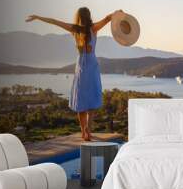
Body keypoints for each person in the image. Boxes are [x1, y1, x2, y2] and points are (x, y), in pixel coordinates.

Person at [26, 7, 121, 141]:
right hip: (92, 65)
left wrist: (37, 17)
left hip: (81, 65)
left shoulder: (74, 30)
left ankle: (83, 131)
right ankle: (89, 127)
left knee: (80, 99)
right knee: (92, 98)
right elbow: (107, 18)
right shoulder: (93, 29)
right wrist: (118, 13)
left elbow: (54, 21)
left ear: (78, 17)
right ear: (88, 16)